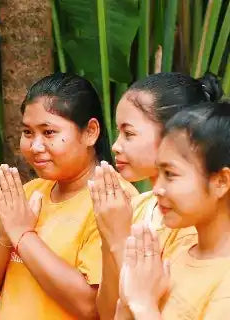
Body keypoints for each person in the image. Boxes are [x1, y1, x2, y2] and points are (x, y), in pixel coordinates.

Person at [0, 73, 138, 320]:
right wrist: (5, 235)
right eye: (27, 132)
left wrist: (23, 236)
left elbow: (91, 306)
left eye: (48, 133)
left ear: (90, 132)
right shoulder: (30, 192)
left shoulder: (115, 201)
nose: (35, 146)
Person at [90, 72, 224, 319]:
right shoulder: (139, 206)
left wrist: (119, 239)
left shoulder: (190, 225)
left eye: (129, 133)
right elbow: (109, 312)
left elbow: (148, 305)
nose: (116, 146)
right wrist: (110, 237)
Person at [117, 102, 230, 319]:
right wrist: (127, 300)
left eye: (170, 174)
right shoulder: (176, 252)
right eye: (158, 172)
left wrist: (143, 304)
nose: (157, 189)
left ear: (221, 181)